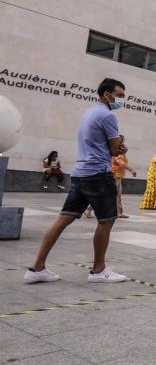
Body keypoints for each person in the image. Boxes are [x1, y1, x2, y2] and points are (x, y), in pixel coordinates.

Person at [24, 78, 128, 284]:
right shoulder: (108, 116)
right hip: (98, 173)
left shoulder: (89, 113)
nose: (122, 100)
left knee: (64, 218)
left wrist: (115, 147)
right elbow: (115, 149)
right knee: (107, 220)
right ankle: (99, 270)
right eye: (120, 95)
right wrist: (120, 148)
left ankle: (37, 267)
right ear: (107, 95)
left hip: (80, 173)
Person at [112, 135, 136, 219]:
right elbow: (121, 163)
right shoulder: (118, 150)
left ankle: (119, 212)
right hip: (115, 175)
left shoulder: (117, 149)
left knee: (117, 195)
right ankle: (89, 209)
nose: (124, 143)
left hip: (117, 176)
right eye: (123, 141)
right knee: (111, 194)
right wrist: (131, 169)